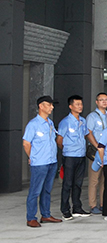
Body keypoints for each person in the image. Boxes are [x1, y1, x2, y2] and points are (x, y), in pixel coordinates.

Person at [23, 96, 62, 228]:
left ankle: (46, 214)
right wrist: (32, 156)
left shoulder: (50, 123)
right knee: (35, 191)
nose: (52, 107)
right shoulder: (33, 124)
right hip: (39, 163)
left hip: (51, 161)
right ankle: (31, 218)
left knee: (47, 190)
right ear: (41, 106)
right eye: (49, 105)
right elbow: (26, 143)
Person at [56, 95, 91, 220]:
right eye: (77, 104)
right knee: (67, 184)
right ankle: (65, 209)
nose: (80, 106)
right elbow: (59, 140)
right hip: (70, 156)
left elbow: (86, 135)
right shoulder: (65, 122)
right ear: (70, 106)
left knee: (78, 183)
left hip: (81, 155)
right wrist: (67, 149)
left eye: (81, 104)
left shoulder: (83, 121)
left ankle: (77, 207)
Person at [85, 92, 107, 215]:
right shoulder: (92, 117)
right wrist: (97, 146)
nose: (104, 102)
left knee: (104, 180)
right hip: (96, 152)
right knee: (94, 179)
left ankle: (103, 204)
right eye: (101, 100)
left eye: (106, 99)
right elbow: (88, 133)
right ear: (96, 102)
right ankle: (93, 204)